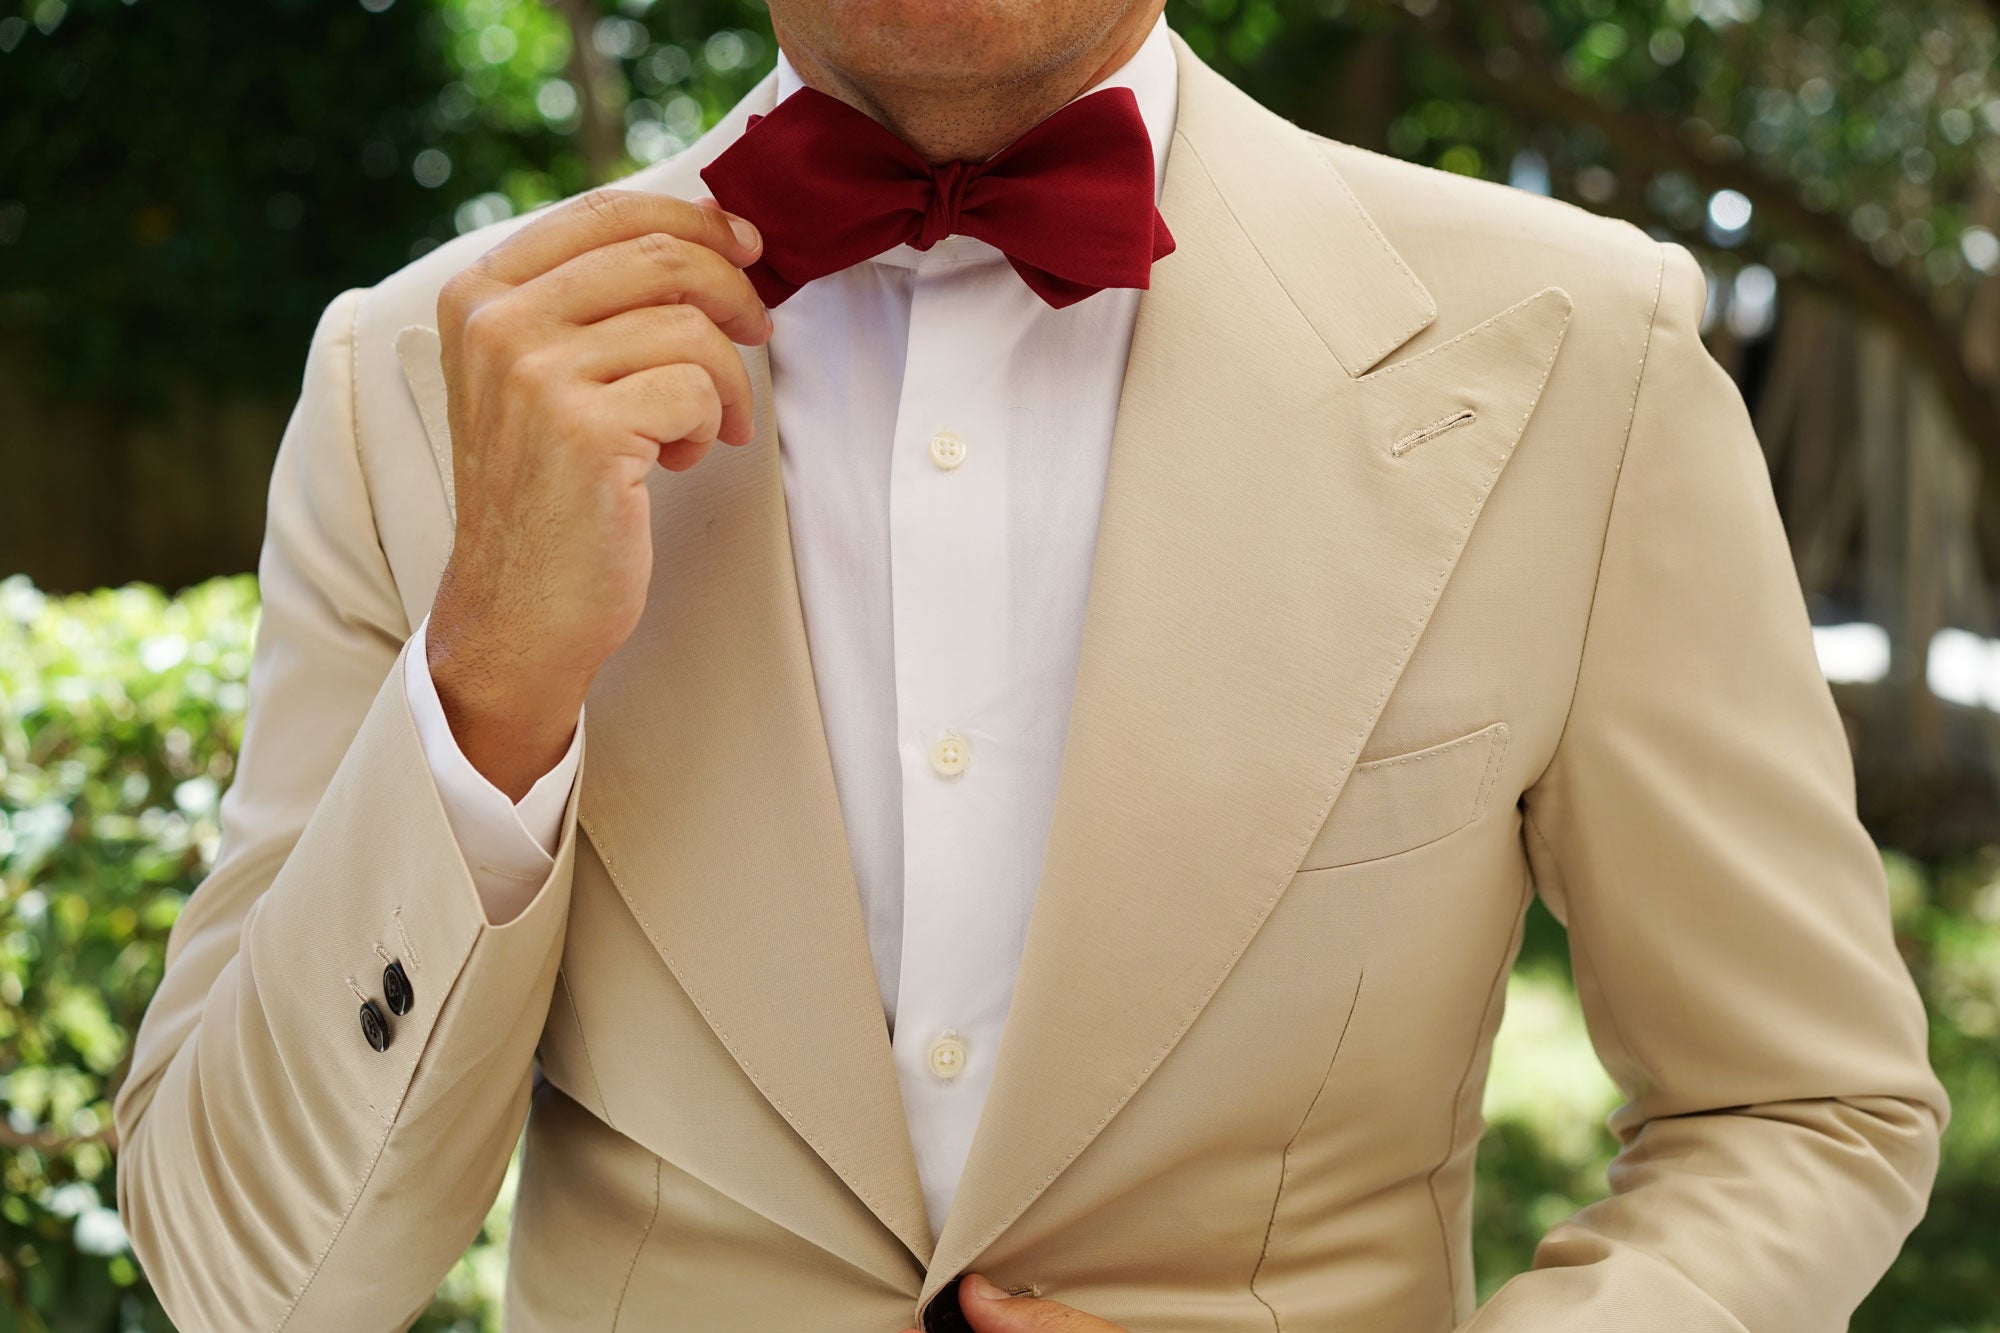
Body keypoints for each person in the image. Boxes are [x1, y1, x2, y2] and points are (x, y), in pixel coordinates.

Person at [112, 0, 1949, 1329]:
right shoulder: (411, 381)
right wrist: (484, 691)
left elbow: (1798, 1106)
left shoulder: (1578, 351)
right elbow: (245, 1281)